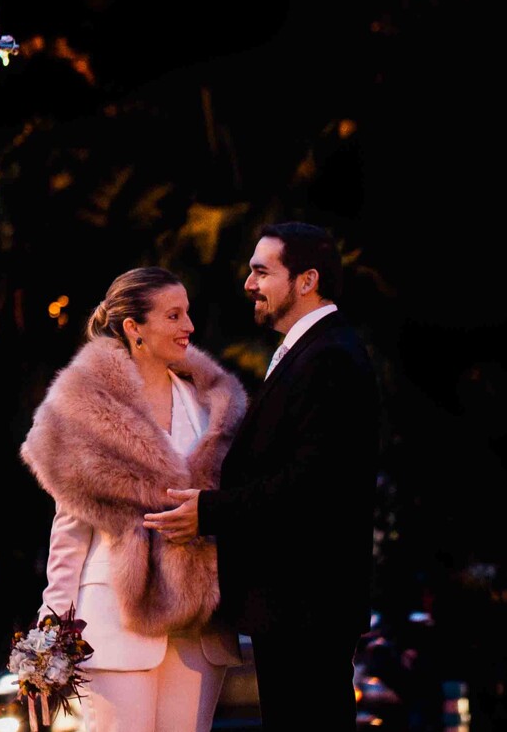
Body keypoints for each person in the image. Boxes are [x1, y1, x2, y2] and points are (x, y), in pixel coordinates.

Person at [143, 222, 381, 732]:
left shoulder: (331, 358)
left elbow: (312, 487)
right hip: (294, 605)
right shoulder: (309, 353)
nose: (248, 284)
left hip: (308, 605)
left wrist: (207, 511)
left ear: (306, 280)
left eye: (261, 271)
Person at [20, 268, 247, 731]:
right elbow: (69, 527)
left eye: (188, 313)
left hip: (198, 625)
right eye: (174, 315)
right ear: (134, 327)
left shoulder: (210, 403)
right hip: (117, 617)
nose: (189, 327)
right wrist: (51, 629)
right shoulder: (84, 408)